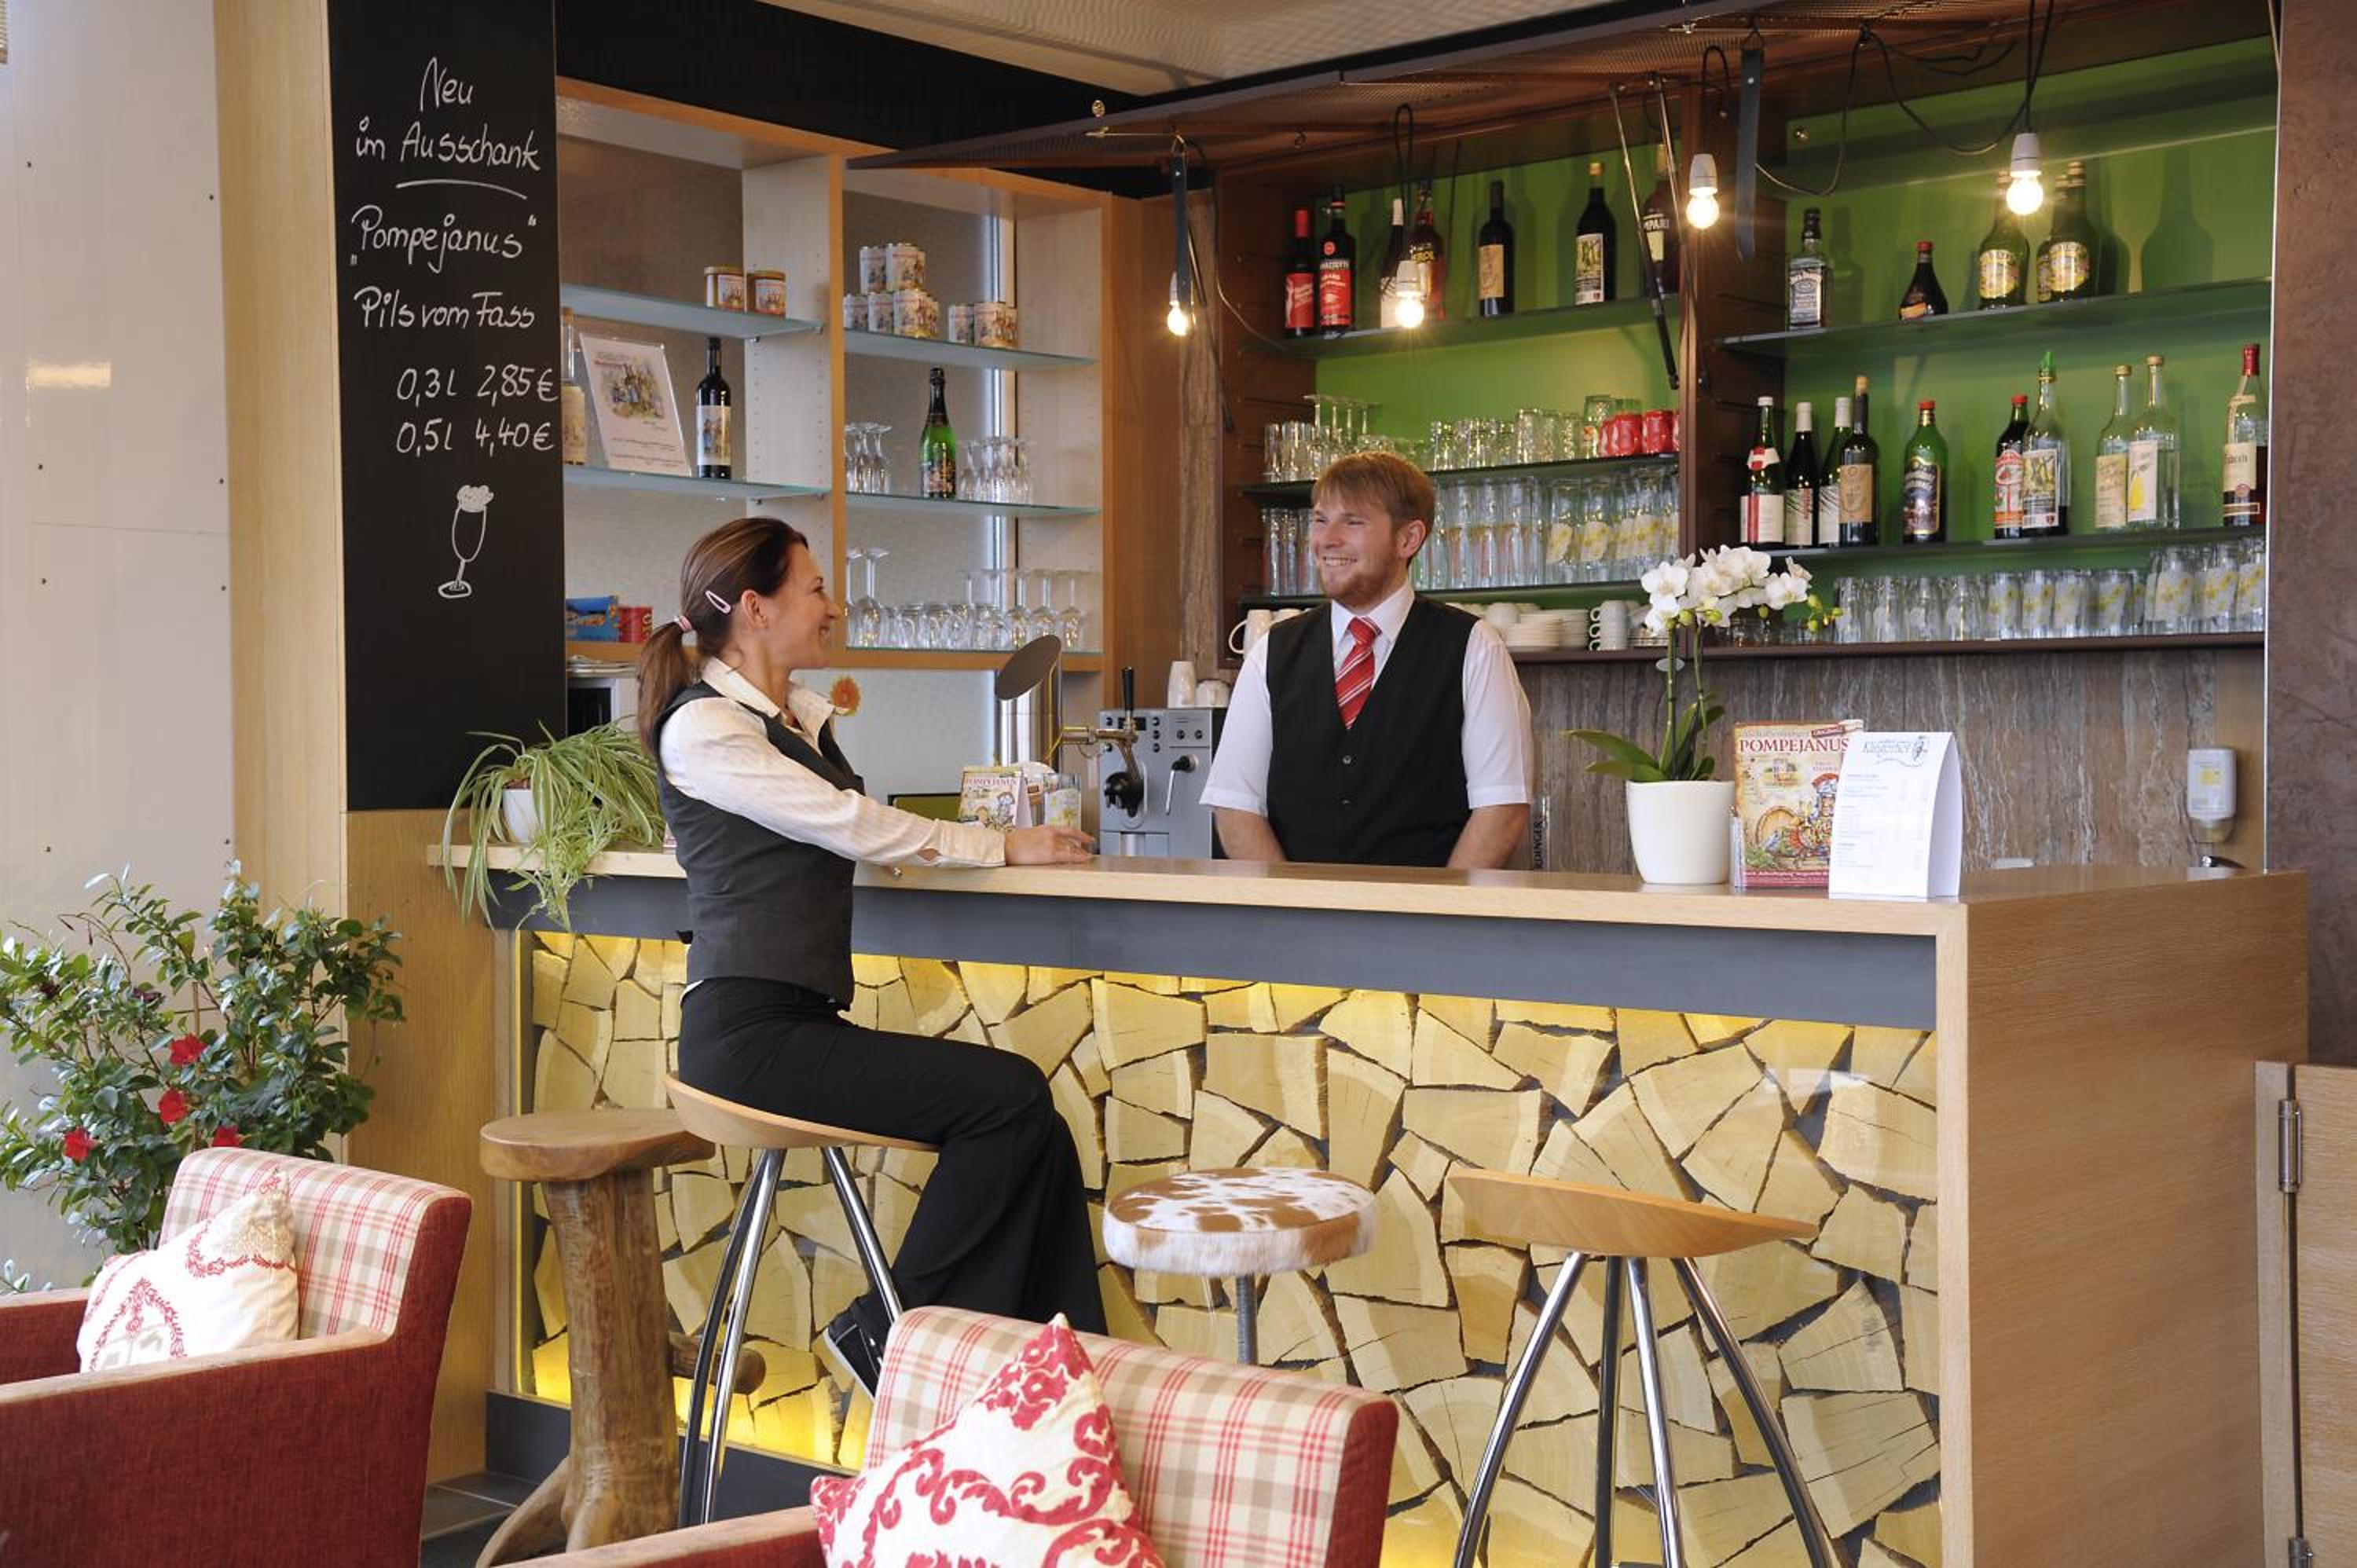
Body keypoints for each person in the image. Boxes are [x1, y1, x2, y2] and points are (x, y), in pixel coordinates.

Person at [637, 515, 1102, 1395]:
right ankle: (893, 1335)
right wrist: (998, 845)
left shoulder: (795, 721)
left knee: (1035, 1127)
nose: (834, 607)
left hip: (796, 1021)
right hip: (745, 1036)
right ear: (756, 609)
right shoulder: (706, 728)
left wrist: (953, 845)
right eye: (816, 589)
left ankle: (1047, 1374)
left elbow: (837, 829)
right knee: (1008, 1099)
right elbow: (846, 824)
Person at [1201, 451, 1532, 867]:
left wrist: (1436, 907)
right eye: (1320, 520)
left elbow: (1501, 810)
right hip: (1295, 906)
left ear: (1408, 539)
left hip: (1425, 906)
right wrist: (1291, 901)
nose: (1327, 539)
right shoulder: (1272, 650)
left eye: (1352, 522)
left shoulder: (1473, 647)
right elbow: (1236, 805)